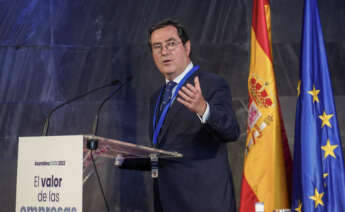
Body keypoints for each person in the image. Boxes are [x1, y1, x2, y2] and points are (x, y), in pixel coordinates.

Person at [124, 19, 240, 212]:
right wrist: (115, 156)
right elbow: (163, 156)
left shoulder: (211, 84)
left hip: (204, 204)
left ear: (186, 47)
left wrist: (204, 109)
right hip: (167, 203)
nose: (164, 52)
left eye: (171, 44)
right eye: (157, 47)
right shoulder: (156, 97)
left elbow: (231, 131)